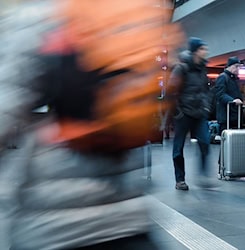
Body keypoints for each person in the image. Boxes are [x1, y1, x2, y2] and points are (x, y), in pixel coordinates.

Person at [2, 0, 177, 249]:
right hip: (127, 215)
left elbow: (5, 109)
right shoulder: (134, 13)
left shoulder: (44, 18)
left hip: (56, 222)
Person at [168, 37, 212, 191]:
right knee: (178, 148)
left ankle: (203, 176)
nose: (205, 51)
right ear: (195, 51)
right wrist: (178, 112)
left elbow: (206, 91)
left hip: (199, 113)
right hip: (184, 114)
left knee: (205, 143)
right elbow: (171, 91)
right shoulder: (181, 68)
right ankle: (180, 180)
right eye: (202, 49)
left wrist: (206, 107)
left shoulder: (202, 69)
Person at [215, 56, 243, 164]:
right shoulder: (223, 78)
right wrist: (233, 100)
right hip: (226, 116)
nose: (238, 69)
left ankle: (230, 164)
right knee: (226, 141)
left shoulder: (233, 79)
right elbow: (220, 94)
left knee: (231, 142)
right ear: (231, 67)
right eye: (236, 67)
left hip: (233, 115)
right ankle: (223, 165)